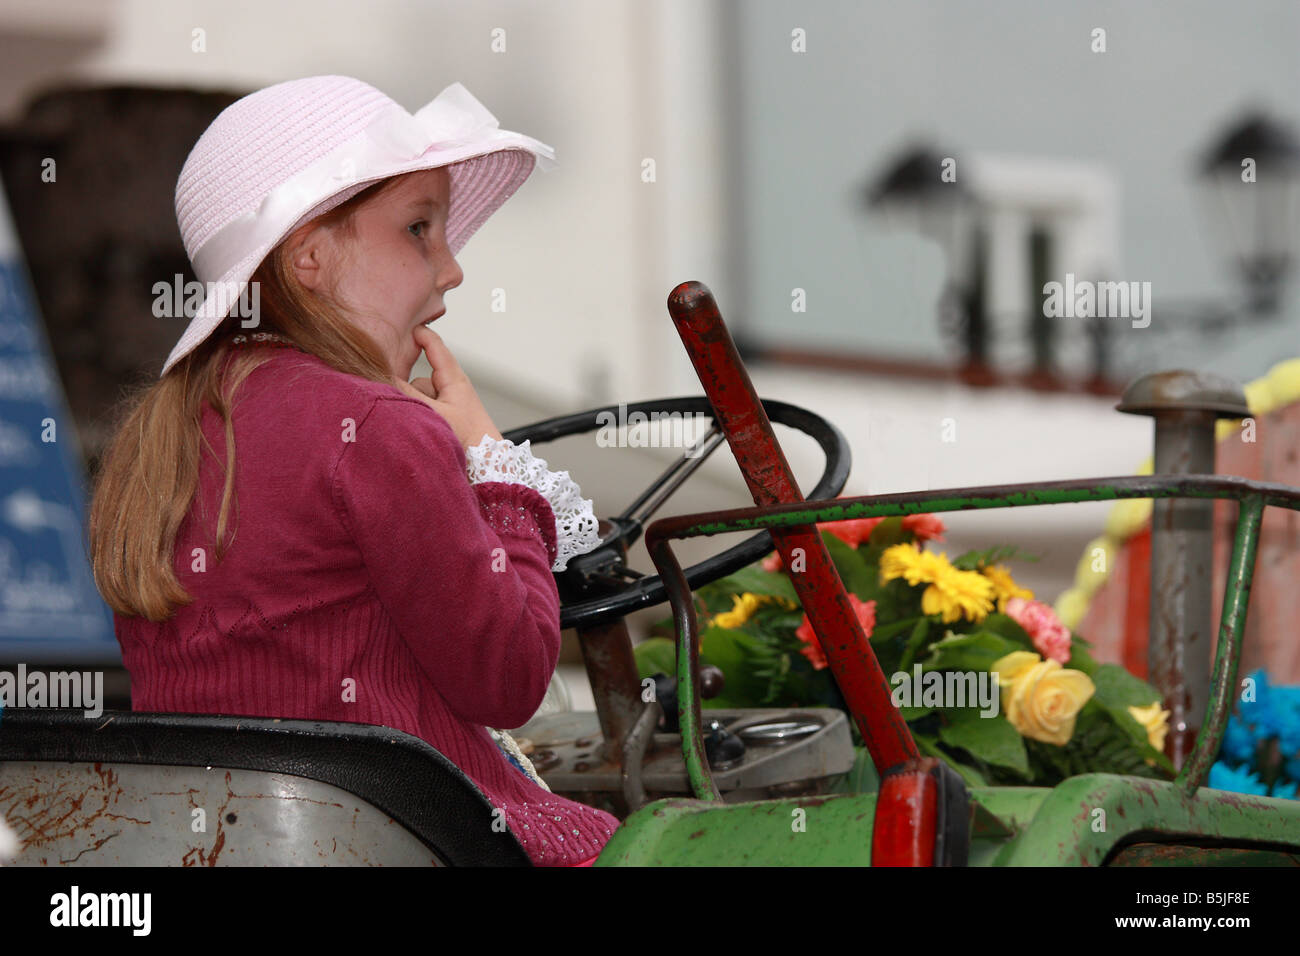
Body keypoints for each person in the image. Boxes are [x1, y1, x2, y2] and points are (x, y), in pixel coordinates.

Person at [88, 75, 618, 866]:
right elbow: (508, 678)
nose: (452, 270)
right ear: (309, 256)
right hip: (408, 838)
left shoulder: (154, 436)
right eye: (417, 229)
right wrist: (497, 472)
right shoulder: (380, 427)